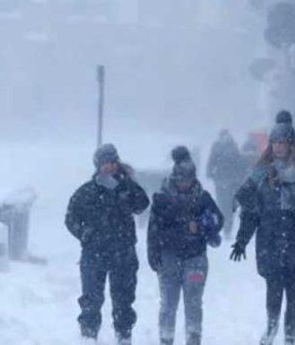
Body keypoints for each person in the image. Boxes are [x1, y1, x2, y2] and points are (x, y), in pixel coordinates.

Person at [230, 121, 295, 345]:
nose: (277, 147)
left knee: (294, 292)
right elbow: (252, 212)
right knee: (274, 290)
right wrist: (241, 240)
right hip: (270, 240)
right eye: (274, 142)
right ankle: (272, 327)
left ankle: (289, 336)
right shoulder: (261, 174)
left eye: (281, 143)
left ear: (290, 144)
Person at [65, 144, 150, 345]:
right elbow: (70, 218)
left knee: (123, 300)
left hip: (123, 253)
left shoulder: (127, 186)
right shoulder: (86, 192)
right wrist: (83, 233)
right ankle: (88, 336)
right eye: (104, 164)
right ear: (98, 165)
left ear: (117, 163)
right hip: (94, 254)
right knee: (91, 302)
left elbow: (142, 204)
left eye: (111, 163)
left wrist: (122, 187)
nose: (108, 167)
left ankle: (123, 336)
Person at [147, 146, 224, 345]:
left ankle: (193, 339)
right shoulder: (162, 198)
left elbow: (218, 219)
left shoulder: (202, 197)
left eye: (187, 180)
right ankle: (166, 339)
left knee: (193, 303)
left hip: (195, 256)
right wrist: (153, 253)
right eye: (180, 180)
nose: (184, 184)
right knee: (169, 304)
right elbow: (153, 229)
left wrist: (200, 226)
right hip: (169, 257)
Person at [206, 129, 244, 239]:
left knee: (227, 206)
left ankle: (227, 229)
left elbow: (239, 163)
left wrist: (210, 172)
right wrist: (209, 172)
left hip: (229, 182)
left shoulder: (231, 147)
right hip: (223, 181)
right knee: (223, 206)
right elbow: (211, 161)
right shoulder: (222, 147)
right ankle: (224, 228)